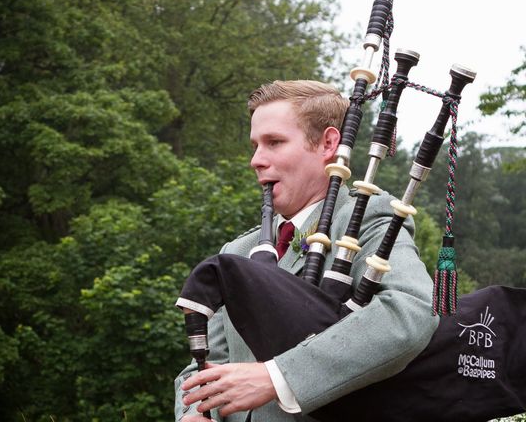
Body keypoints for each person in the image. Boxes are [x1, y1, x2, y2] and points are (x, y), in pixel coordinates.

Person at [173, 80, 439, 421]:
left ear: (329, 144)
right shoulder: (239, 250)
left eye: (275, 142)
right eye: (255, 145)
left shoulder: (367, 219)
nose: (256, 160)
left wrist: (278, 376)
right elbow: (205, 365)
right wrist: (193, 413)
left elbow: (411, 312)